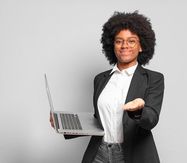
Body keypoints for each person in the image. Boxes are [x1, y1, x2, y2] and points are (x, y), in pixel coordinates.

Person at [50, 11, 164, 163]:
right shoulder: (100, 79)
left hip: (132, 154)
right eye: (119, 41)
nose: (124, 46)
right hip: (99, 153)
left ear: (141, 46)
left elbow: (152, 119)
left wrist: (139, 111)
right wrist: (63, 125)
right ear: (112, 45)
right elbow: (99, 120)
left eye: (131, 41)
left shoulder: (153, 79)